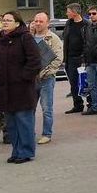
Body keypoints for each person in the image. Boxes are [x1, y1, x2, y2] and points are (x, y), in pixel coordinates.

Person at [0, 11, 41, 164]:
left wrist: (23, 77)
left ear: (17, 23)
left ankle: (26, 152)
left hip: (22, 88)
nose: (5, 23)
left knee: (23, 120)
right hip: (4, 88)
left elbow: (34, 61)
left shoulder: (25, 37)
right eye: (3, 20)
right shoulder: (0, 39)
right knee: (11, 122)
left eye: (9, 20)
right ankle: (16, 150)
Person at [31, 12, 63, 145]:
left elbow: (58, 59)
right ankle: (29, 133)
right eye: (36, 21)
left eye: (41, 21)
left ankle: (46, 134)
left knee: (46, 108)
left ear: (47, 23)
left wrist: (45, 72)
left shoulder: (53, 38)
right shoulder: (29, 37)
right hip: (30, 79)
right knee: (29, 108)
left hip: (46, 79)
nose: (38, 23)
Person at [61, 3, 89, 114]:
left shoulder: (86, 24)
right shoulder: (69, 23)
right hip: (70, 58)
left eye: (68, 11)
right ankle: (77, 105)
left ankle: (91, 105)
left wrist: (84, 57)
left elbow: (88, 41)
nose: (67, 13)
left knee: (85, 82)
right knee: (73, 83)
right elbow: (65, 38)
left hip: (82, 58)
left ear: (75, 12)